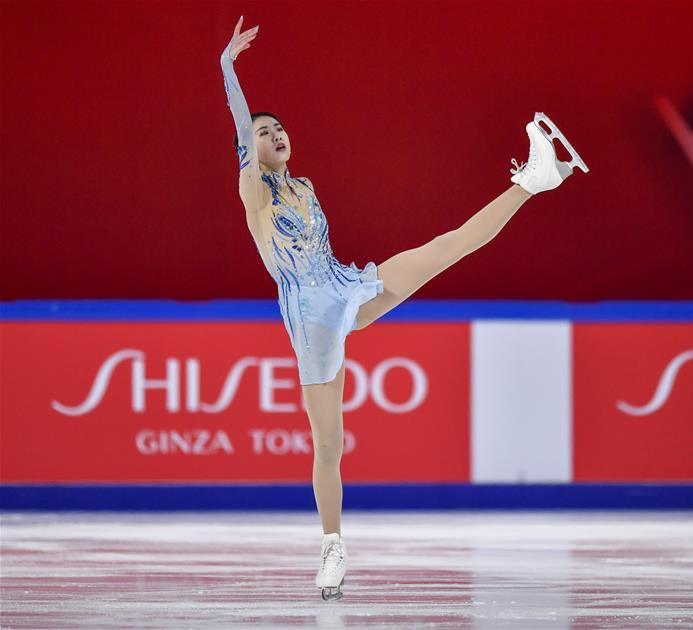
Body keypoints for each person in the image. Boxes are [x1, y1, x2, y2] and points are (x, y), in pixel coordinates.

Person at [220, 15, 588, 601]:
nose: (276, 134)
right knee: (329, 445)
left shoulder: (306, 186)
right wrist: (228, 68)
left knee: (444, 249)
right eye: (264, 133)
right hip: (311, 319)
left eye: (280, 128)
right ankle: (332, 546)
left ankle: (532, 184)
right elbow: (242, 129)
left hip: (345, 285)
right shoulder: (254, 194)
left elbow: (324, 245)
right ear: (249, 148)